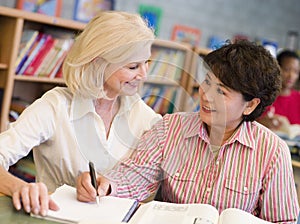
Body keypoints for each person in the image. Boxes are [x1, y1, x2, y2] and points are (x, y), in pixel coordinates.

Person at [77, 40, 299, 223]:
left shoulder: (272, 150)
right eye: (207, 82)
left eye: (221, 92)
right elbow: (135, 177)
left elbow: (283, 221)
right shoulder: (169, 128)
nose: (205, 95)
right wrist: (106, 186)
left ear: (250, 105)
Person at [0, 11, 161, 216]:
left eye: (146, 62)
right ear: (98, 62)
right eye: (133, 66)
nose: (143, 74)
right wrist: (20, 188)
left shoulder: (147, 119)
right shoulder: (55, 106)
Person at [257, 50, 300, 130]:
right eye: (287, 69)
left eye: (296, 71)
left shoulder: (298, 98)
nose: (291, 75)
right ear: (277, 68)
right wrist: (261, 122)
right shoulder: (264, 96)